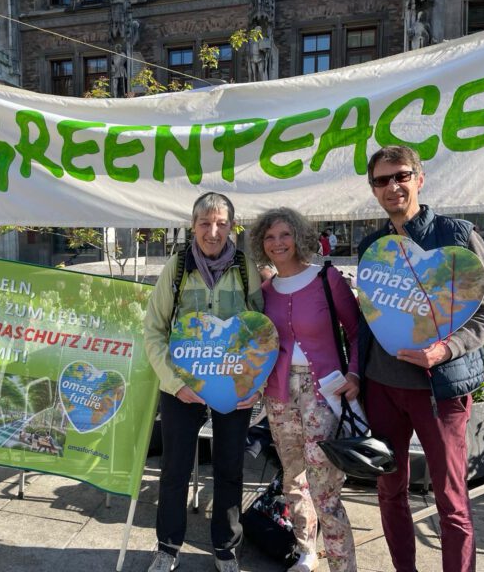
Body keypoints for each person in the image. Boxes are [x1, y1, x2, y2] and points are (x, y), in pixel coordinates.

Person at [358, 146, 484, 572]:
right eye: (382, 180)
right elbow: (368, 322)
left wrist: (445, 349)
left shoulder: (456, 236)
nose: (393, 186)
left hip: (440, 391)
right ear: (374, 190)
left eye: (401, 176)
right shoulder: (374, 246)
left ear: (419, 179)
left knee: (451, 500)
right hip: (383, 389)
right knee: (389, 491)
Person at [143, 192, 263, 572]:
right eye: (205, 223)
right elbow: (154, 331)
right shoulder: (176, 268)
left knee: (229, 467)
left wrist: (254, 384)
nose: (213, 232)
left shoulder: (246, 268)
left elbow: (263, 333)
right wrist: (174, 382)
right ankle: (167, 546)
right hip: (181, 387)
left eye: (222, 223)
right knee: (175, 468)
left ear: (232, 226)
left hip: (233, 387)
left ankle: (226, 548)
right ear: (192, 226)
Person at [249, 208, 359, 572]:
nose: (277, 243)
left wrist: (355, 375)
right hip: (279, 396)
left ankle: (343, 565)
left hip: (323, 395)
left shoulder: (327, 279)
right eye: (269, 237)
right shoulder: (266, 292)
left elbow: (358, 332)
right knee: (293, 480)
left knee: (324, 487)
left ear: (298, 237)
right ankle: (306, 552)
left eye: (284, 234)